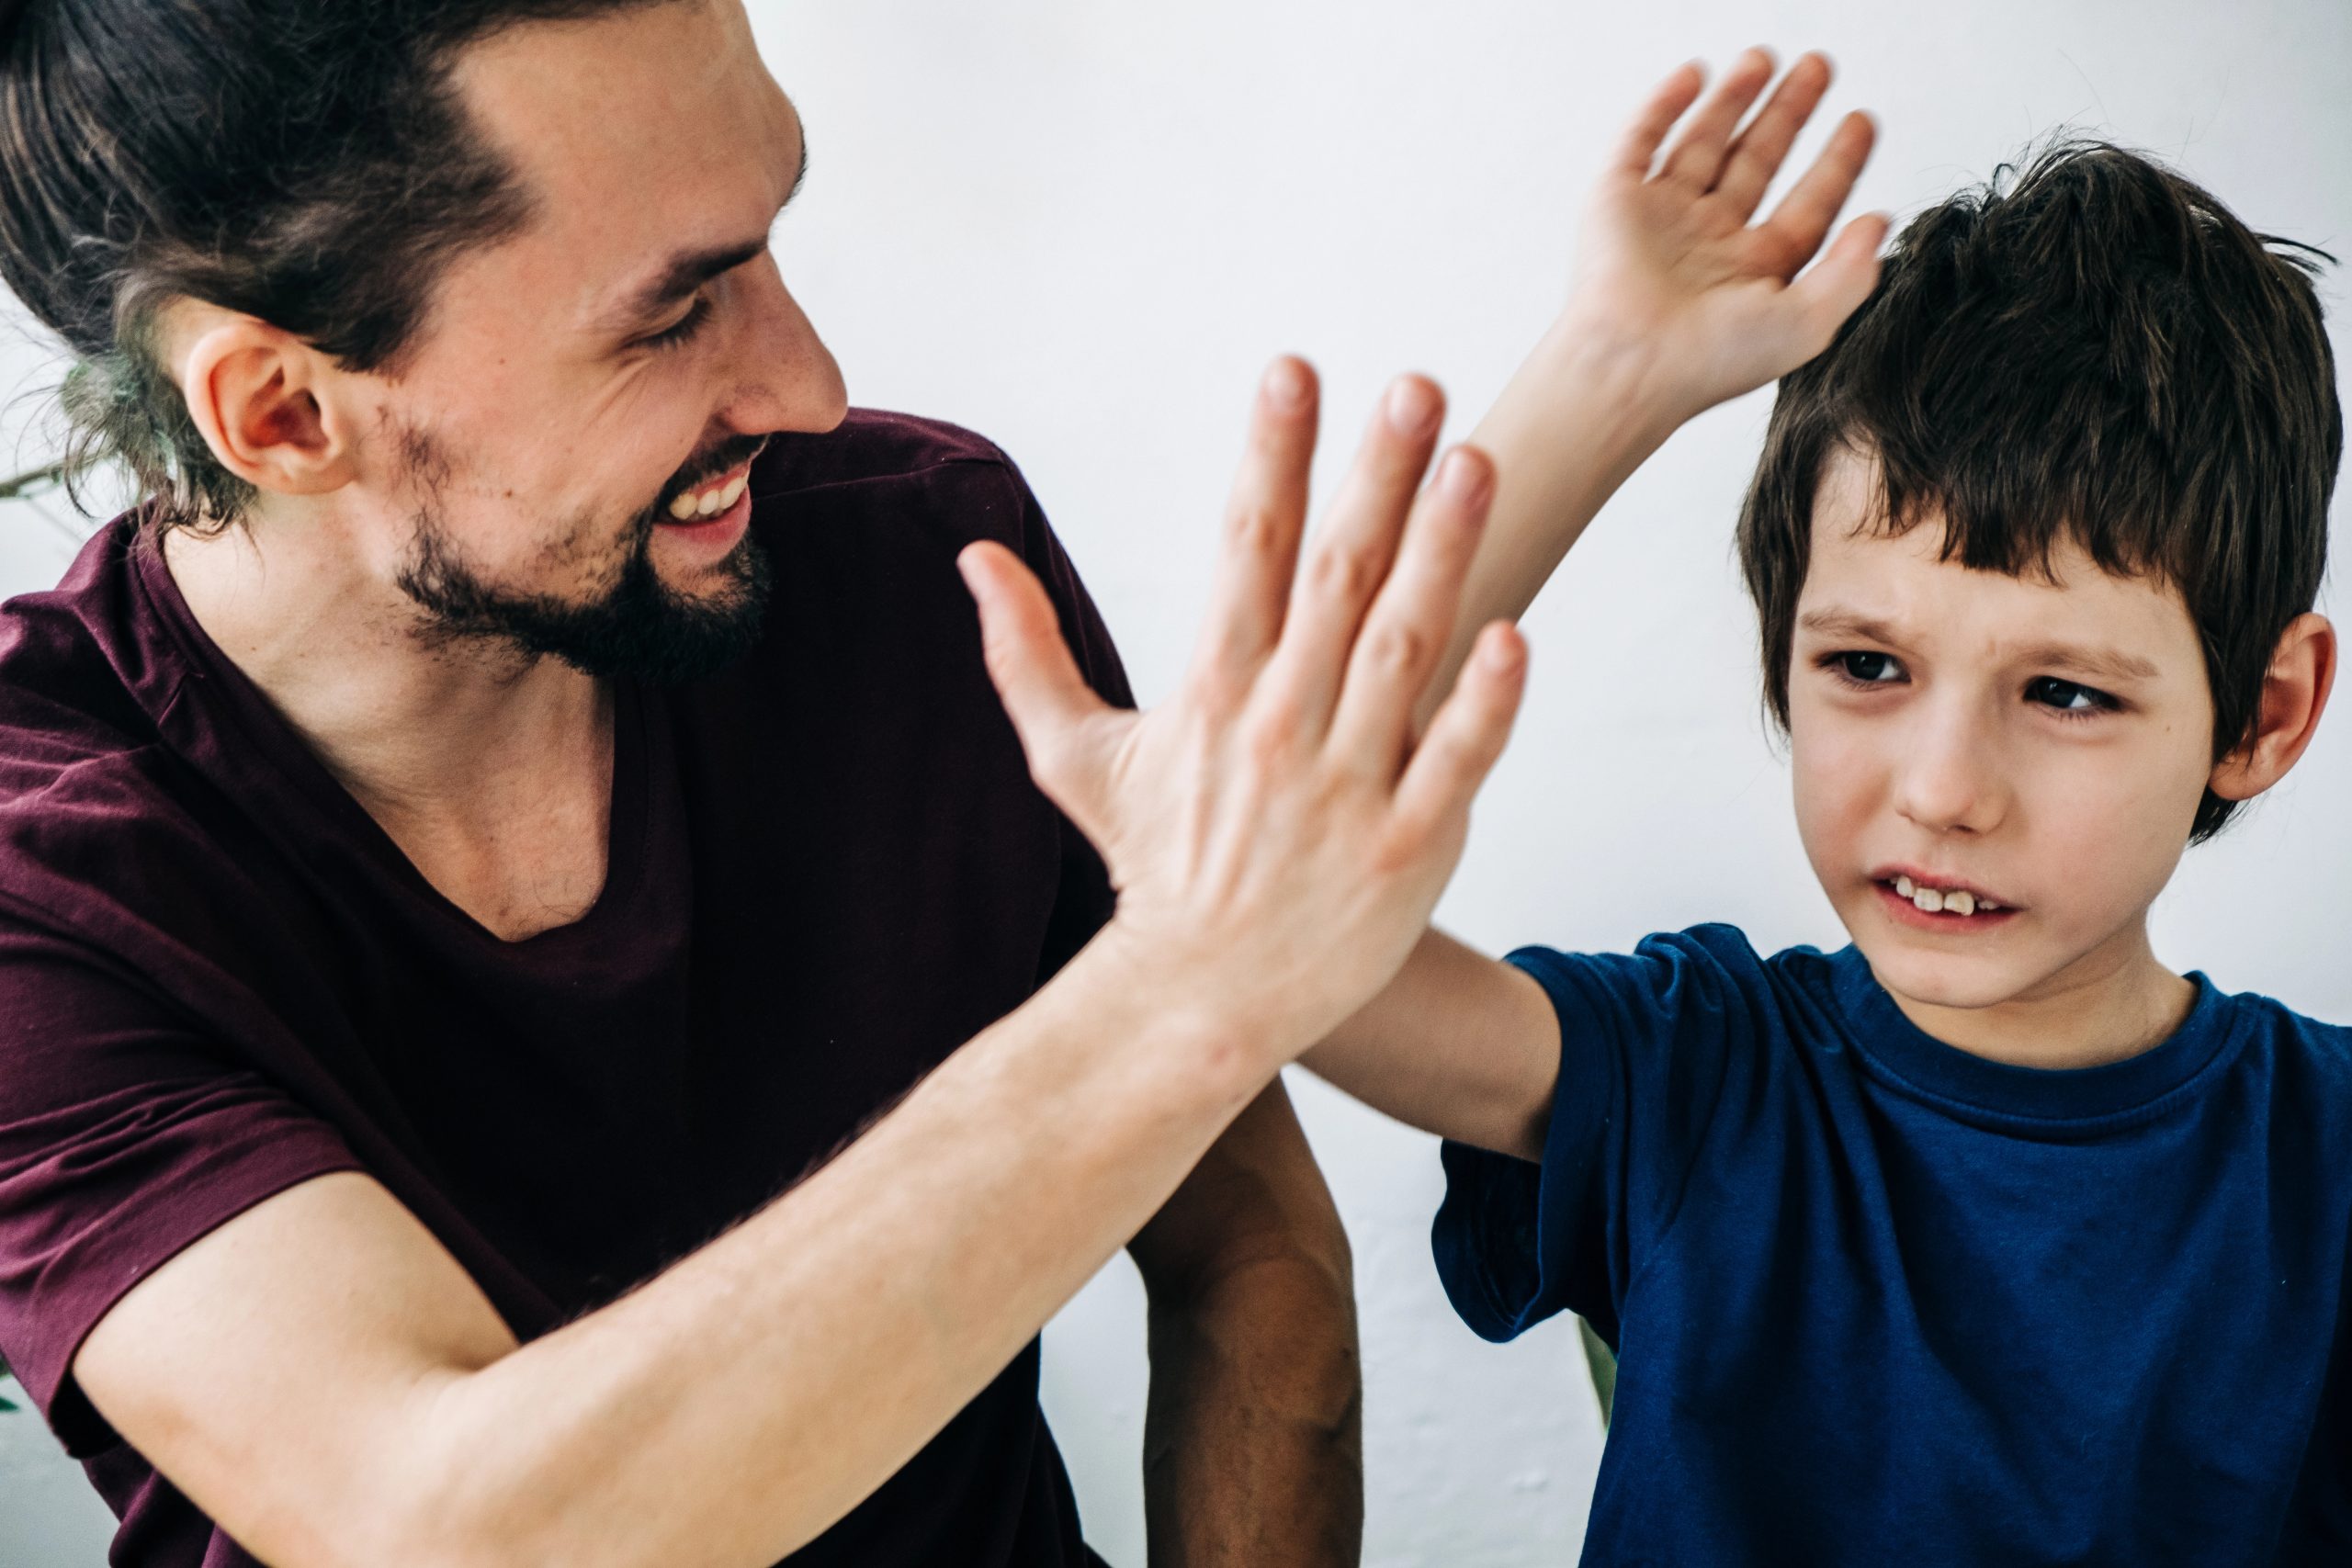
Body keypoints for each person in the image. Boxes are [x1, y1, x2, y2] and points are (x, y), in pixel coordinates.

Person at [0, 4, 1879, 1564]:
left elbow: (1252, 1257)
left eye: (771, 238)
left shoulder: (909, 560)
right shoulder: (49, 873)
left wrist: (1609, 370)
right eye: (674, 312)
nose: (808, 381)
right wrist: (1191, 985)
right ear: (282, 412)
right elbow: (462, 1525)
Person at [1300, 52, 2350, 1567]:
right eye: (1868, 664)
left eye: (2065, 694)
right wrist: (1609, 372)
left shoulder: (2319, 1170)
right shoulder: (1696, 1074)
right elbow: (1255, 904)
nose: (1940, 791)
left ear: (2260, 715)